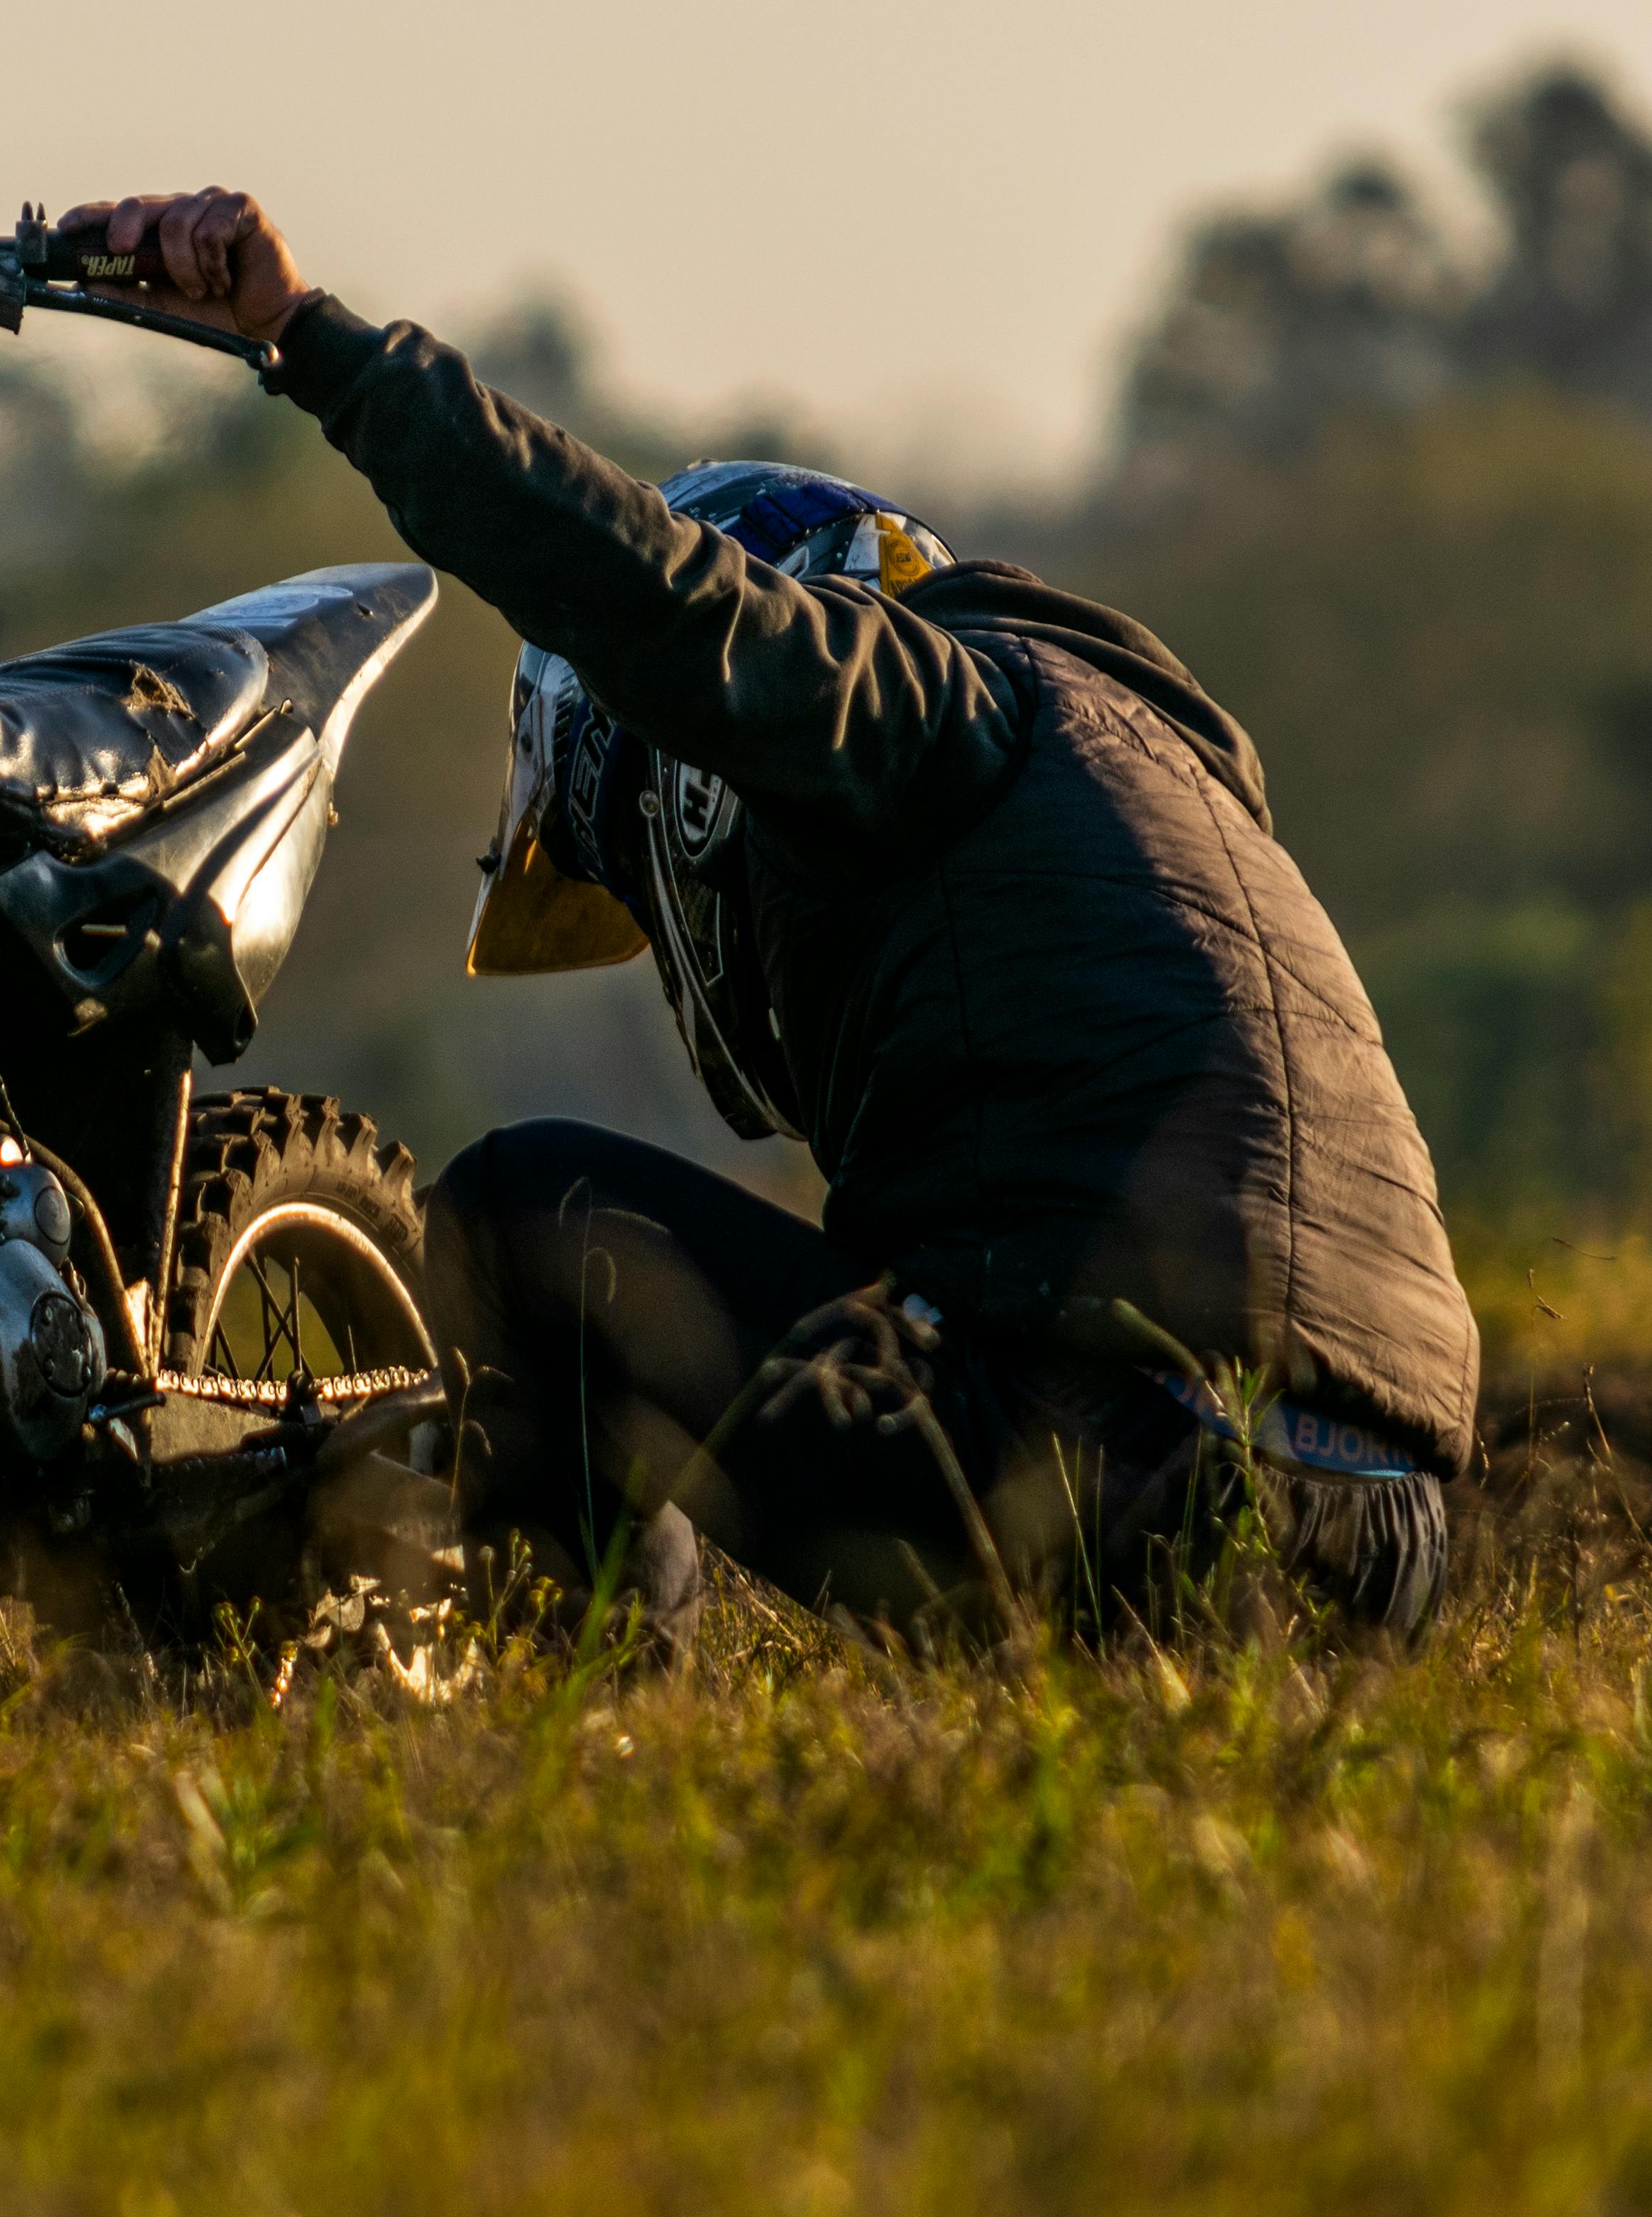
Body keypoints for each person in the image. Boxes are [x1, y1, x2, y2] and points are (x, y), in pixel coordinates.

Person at [77, 187, 1480, 1645]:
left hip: (1129, 1466)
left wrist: (301, 338)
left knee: (521, 1213)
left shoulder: (925, 703)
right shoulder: (1139, 779)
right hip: (1380, 1545)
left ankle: (574, 1730)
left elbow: (647, 595)